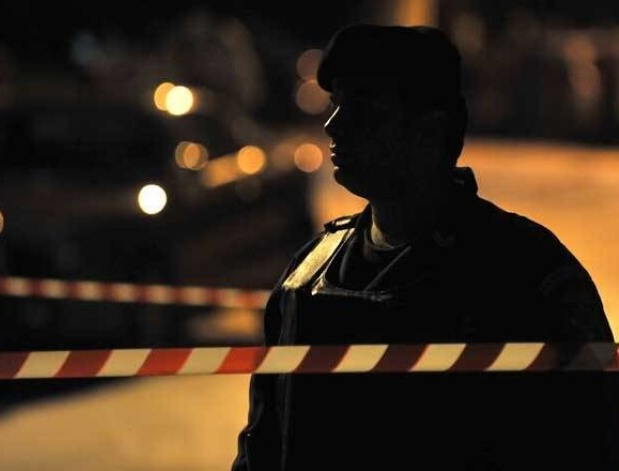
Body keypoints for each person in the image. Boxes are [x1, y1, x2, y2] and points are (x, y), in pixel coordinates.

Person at [233, 24, 616, 470]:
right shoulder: (306, 281)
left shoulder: (528, 278)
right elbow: (261, 448)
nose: (334, 126)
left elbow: (596, 441)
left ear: (429, 131)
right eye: (336, 104)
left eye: (363, 110)